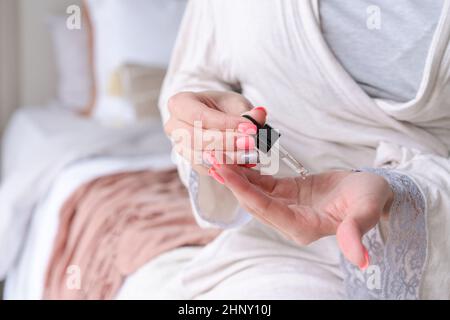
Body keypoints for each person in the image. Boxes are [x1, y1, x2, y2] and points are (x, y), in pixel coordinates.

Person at [159, 0, 450, 299]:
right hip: (273, 242)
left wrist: (400, 194)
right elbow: (194, 75)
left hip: (434, 238)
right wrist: (205, 132)